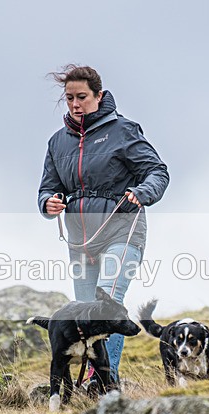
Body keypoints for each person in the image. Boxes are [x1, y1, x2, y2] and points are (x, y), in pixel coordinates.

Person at [37, 64, 169, 386]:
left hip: (121, 230)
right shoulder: (58, 143)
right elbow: (47, 188)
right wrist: (48, 202)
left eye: (82, 97)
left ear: (98, 95)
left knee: (108, 303)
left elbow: (158, 172)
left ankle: (103, 382)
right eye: (69, 98)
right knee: (85, 314)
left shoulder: (123, 131)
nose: (75, 104)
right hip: (80, 241)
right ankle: (87, 382)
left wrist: (141, 192)